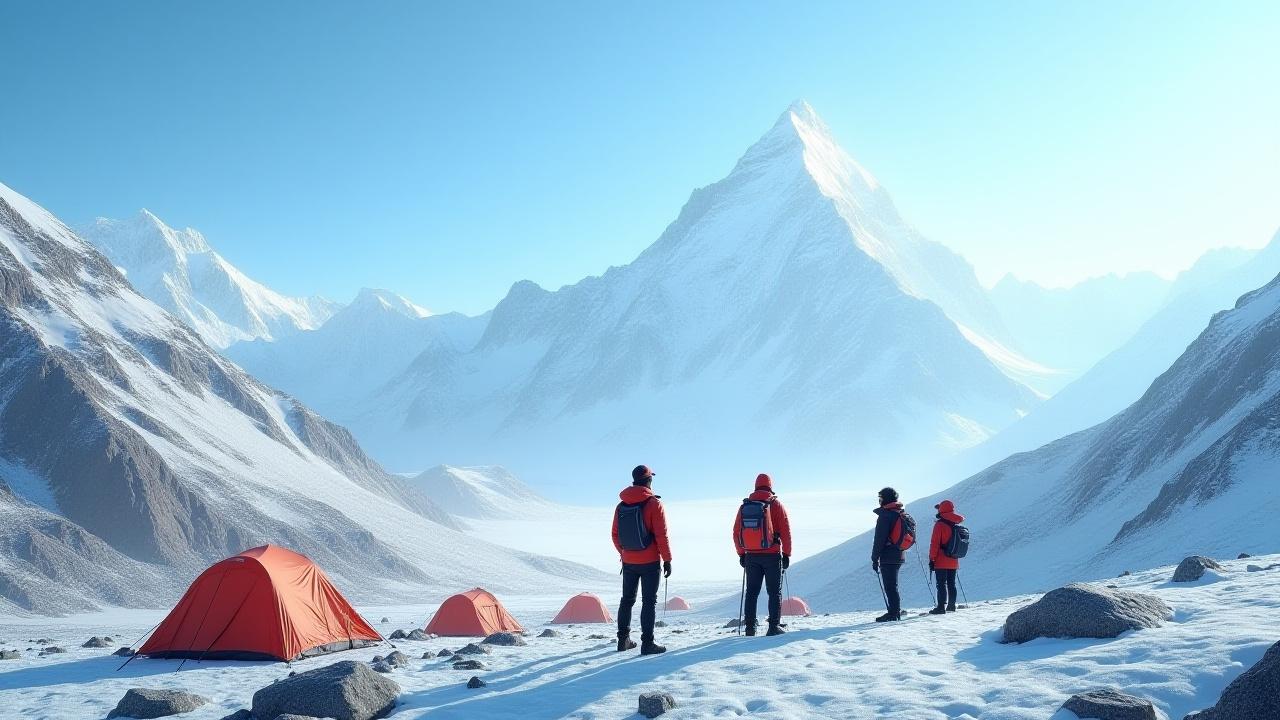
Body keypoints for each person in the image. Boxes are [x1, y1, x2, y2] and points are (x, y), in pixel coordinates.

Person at [611, 464, 672, 655]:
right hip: (650, 561)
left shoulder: (621, 505)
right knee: (648, 602)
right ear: (648, 480)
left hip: (629, 562)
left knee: (626, 601)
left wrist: (625, 553)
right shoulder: (654, 504)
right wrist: (667, 560)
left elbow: (615, 534)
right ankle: (647, 644)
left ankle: (623, 640)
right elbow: (662, 535)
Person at [732, 473, 793, 636]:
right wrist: (787, 554)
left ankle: (750, 628)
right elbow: (786, 531)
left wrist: (741, 554)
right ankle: (773, 627)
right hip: (772, 555)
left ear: (756, 486)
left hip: (751, 556)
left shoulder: (745, 506)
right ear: (770, 486)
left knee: (752, 592)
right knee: (774, 592)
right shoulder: (776, 504)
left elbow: (736, 532)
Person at [871, 486, 908, 622]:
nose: (879, 500)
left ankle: (893, 613)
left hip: (888, 555)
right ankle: (894, 611)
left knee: (890, 586)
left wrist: (874, 558)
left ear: (884, 499)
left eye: (880, 498)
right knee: (893, 585)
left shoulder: (885, 516)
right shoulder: (899, 513)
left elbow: (879, 540)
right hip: (900, 553)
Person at [928, 499, 964, 614]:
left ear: (942, 510)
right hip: (953, 558)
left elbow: (935, 543)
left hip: (941, 559)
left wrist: (932, 559)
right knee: (951, 583)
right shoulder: (955, 523)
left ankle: (940, 607)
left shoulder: (939, 525)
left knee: (941, 583)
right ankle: (952, 606)